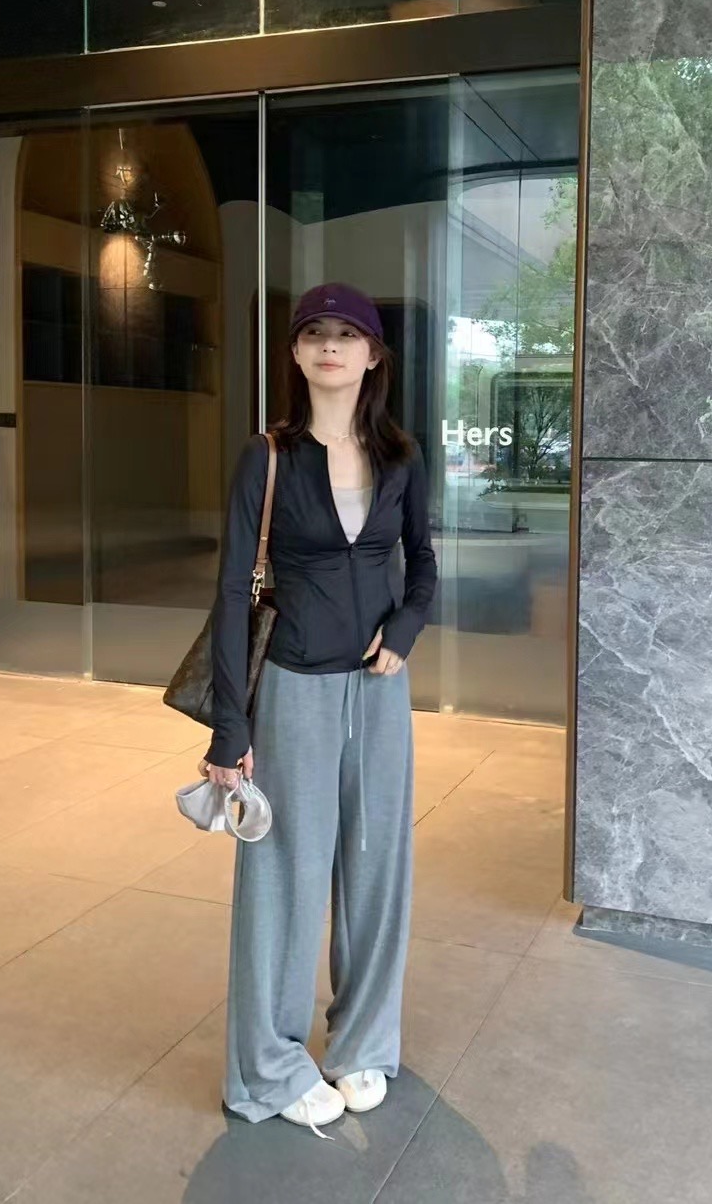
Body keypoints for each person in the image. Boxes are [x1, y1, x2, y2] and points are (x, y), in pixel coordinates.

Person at [198, 282, 437, 1133]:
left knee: (377, 867)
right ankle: (268, 1068)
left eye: (346, 335)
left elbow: (423, 563)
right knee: (286, 876)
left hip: (378, 688)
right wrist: (230, 725)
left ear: (372, 355)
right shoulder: (267, 457)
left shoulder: (400, 456)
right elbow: (232, 593)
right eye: (313, 334)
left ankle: (364, 1042)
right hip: (293, 684)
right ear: (297, 355)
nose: (329, 346)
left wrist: (405, 629)